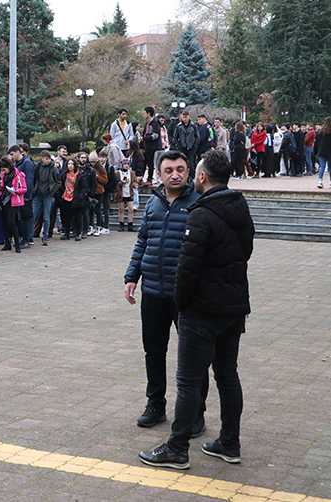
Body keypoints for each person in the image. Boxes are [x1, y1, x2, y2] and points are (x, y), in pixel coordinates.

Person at [139, 149, 254, 470]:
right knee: (228, 375)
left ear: (200, 176)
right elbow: (245, 252)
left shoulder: (200, 213)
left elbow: (187, 268)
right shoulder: (239, 207)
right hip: (234, 306)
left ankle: (177, 447)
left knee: (188, 381)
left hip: (202, 310)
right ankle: (230, 443)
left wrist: (183, 304)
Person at [125, 150, 207, 434]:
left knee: (194, 356)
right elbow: (142, 241)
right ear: (159, 174)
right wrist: (132, 275)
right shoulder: (153, 204)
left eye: (181, 169)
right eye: (169, 169)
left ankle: (196, 412)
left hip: (187, 294)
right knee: (154, 351)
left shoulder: (199, 202)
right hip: (154, 291)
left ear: (190, 173)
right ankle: (155, 404)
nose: (175, 174)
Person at [0, 156, 25, 252]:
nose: (3, 172)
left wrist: (15, 190)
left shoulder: (19, 175)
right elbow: (2, 186)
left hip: (13, 200)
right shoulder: (3, 175)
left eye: (4, 169)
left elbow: (24, 189)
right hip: (4, 199)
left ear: (9, 167)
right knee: (4, 222)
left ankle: (17, 244)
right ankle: (7, 243)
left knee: (12, 222)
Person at [8, 144, 34, 246]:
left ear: (18, 152)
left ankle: (26, 239)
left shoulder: (27, 163)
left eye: (12, 154)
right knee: (20, 218)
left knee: (25, 218)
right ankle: (22, 238)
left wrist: (27, 195)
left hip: (24, 195)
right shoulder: (17, 164)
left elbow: (29, 180)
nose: (11, 157)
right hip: (18, 194)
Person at [171, 111, 199, 177]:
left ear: (189, 117)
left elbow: (197, 136)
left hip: (191, 147)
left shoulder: (193, 126)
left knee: (191, 164)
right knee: (182, 163)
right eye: (183, 117)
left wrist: (194, 146)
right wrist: (178, 146)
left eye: (186, 117)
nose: (184, 119)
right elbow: (175, 137)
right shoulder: (179, 126)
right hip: (182, 147)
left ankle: (191, 178)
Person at [142, 106, 162, 185]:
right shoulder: (147, 123)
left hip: (153, 147)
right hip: (147, 147)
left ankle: (150, 179)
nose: (144, 115)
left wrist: (145, 138)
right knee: (145, 162)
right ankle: (143, 178)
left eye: (145, 113)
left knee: (150, 163)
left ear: (149, 113)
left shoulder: (155, 123)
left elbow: (155, 135)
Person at [115, 158, 137, 231]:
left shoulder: (132, 173)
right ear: (122, 165)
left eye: (127, 164)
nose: (126, 166)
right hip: (121, 193)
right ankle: (121, 225)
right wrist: (121, 182)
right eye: (125, 164)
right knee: (121, 209)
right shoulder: (118, 173)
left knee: (131, 209)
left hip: (129, 193)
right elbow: (115, 184)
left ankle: (130, 225)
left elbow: (135, 181)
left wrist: (135, 184)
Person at [89, 152, 108, 236]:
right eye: (91, 162)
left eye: (94, 162)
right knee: (90, 210)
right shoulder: (88, 168)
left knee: (98, 210)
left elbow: (105, 181)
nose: (93, 164)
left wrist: (97, 177)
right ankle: (91, 226)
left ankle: (99, 226)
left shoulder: (101, 169)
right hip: (90, 192)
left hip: (99, 191)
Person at [316, 117, 331, 188]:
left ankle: (320, 181)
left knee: (322, 167)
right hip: (329, 151)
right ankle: (330, 182)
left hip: (321, 151)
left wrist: (316, 151)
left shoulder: (321, 131)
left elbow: (317, 142)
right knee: (330, 168)